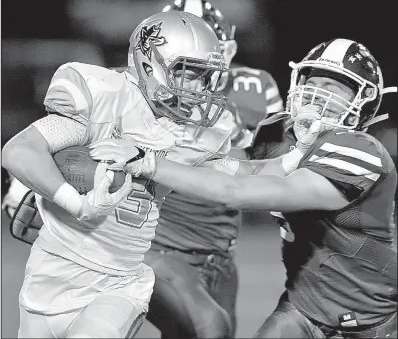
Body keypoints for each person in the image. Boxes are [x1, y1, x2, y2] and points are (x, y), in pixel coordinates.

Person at [91, 38, 398, 338]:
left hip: (372, 320)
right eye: (313, 83)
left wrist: (148, 162)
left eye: (333, 88)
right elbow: (230, 165)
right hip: (303, 309)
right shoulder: (283, 136)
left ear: (363, 101)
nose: (318, 95)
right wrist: (150, 142)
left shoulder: (362, 151)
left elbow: (236, 191)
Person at [1, 11, 240, 338]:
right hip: (51, 278)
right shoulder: (104, 96)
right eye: (187, 73)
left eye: (203, 76)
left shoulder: (199, 133)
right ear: (150, 64)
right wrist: (65, 198)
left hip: (120, 282)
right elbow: (21, 150)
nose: (197, 88)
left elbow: (238, 181)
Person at [137, 0, 283, 339]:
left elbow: (273, 164)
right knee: (207, 329)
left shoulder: (253, 88)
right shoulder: (128, 87)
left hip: (220, 256)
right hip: (156, 249)